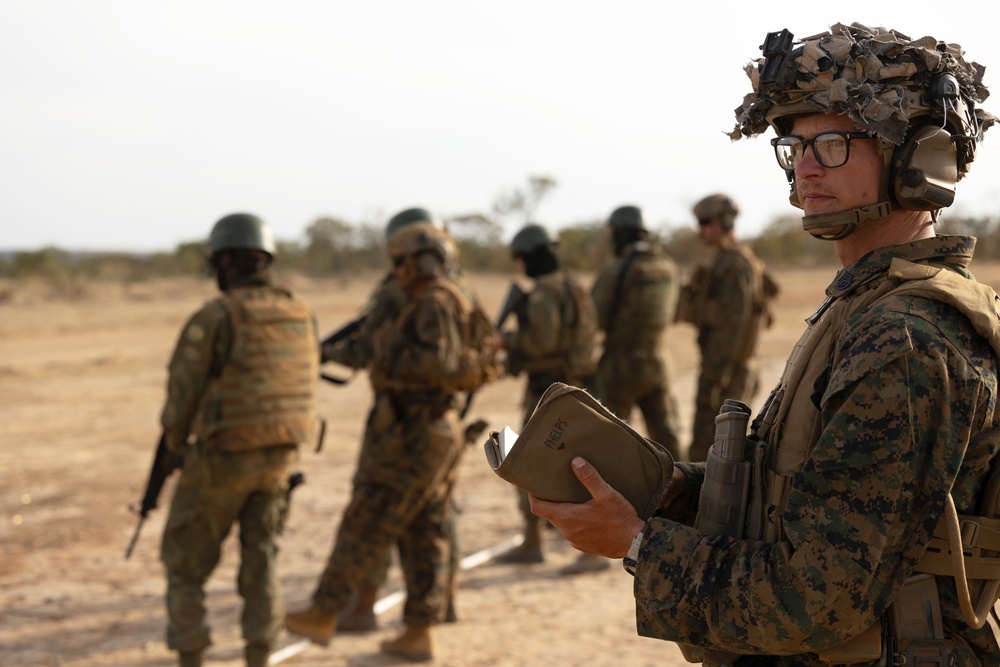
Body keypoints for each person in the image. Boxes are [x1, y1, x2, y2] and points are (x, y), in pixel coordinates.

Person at [531, 23, 1000, 665]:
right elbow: (803, 500)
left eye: (832, 144)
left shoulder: (905, 338)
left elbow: (816, 600)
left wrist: (639, 543)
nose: (804, 167)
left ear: (922, 157)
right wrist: (675, 489)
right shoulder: (864, 305)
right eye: (794, 145)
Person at [285, 222, 486, 662]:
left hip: (415, 430)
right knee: (423, 531)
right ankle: (418, 630)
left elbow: (439, 362)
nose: (395, 271)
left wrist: (385, 350)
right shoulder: (450, 297)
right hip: (434, 427)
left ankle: (323, 611)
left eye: (400, 262)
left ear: (423, 261)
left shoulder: (433, 302)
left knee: (368, 517)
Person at [158, 213, 319, 667]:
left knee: (184, 563)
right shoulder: (300, 310)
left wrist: (173, 447)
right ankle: (260, 654)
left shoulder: (216, 316)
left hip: (223, 460)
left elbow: (181, 396)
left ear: (226, 262)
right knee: (262, 556)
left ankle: (191, 655)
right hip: (280, 460)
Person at [319, 208, 465, 632]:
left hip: (400, 420)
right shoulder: (453, 288)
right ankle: (446, 600)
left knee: (379, 502)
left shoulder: (400, 292)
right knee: (439, 511)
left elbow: (364, 350)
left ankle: (363, 605)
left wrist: (327, 353)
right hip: (447, 416)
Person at [495, 222, 598, 568]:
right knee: (583, 465)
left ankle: (533, 541)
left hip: (547, 389)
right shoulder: (575, 287)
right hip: (579, 386)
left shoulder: (542, 293)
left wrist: (509, 341)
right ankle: (591, 548)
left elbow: (542, 341)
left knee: (525, 462)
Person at [678, 193, 776, 461]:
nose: (702, 229)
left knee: (709, 451)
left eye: (707, 222)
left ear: (726, 221)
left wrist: (716, 377)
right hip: (728, 368)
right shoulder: (730, 259)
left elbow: (734, 326)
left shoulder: (734, 263)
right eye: (699, 222)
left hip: (726, 370)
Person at [589, 204, 682, 462]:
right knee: (667, 436)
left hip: (620, 366)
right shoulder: (668, 268)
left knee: (610, 438)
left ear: (619, 234)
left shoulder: (615, 270)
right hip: (657, 361)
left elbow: (594, 318)